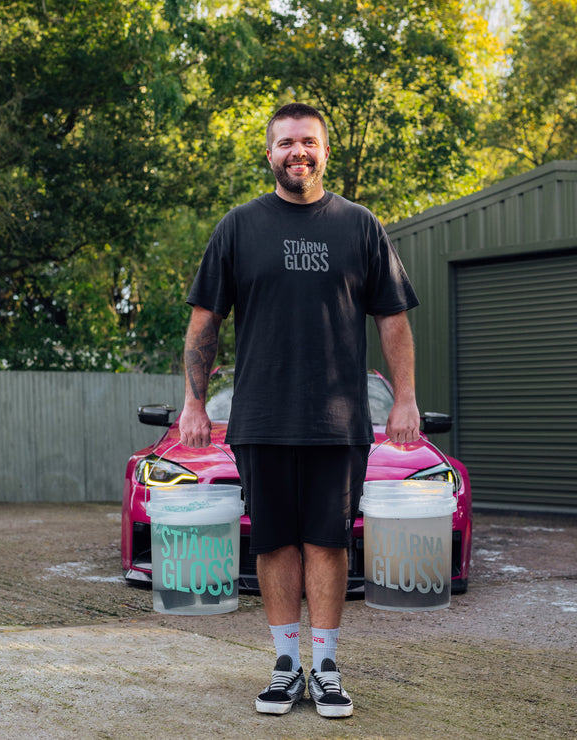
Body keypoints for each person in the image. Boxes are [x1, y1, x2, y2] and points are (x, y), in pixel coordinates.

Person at [178, 102, 420, 719]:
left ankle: (327, 665)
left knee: (328, 541)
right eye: (285, 143)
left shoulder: (360, 226)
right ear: (269, 153)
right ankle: (286, 665)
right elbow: (204, 319)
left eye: (308, 142)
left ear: (325, 151)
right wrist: (194, 401)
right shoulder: (238, 227)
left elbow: (393, 318)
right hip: (261, 416)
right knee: (276, 541)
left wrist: (407, 399)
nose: (297, 153)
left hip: (337, 421)